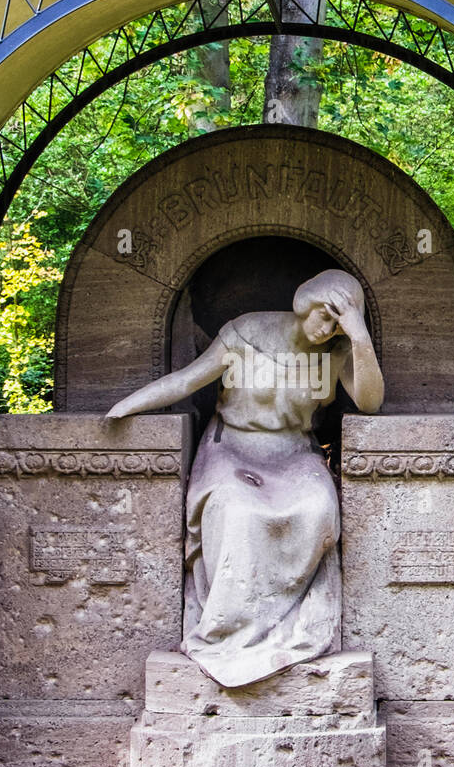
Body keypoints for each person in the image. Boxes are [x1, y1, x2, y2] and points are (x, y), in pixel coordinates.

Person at [106, 269, 383, 687]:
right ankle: (228, 630)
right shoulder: (247, 332)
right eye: (323, 316)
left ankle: (286, 626)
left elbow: (370, 403)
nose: (326, 329)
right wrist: (128, 405)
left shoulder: (340, 349)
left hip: (294, 453)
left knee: (318, 508)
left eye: (337, 322)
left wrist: (359, 338)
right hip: (232, 449)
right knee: (235, 510)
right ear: (305, 304)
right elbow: (187, 379)